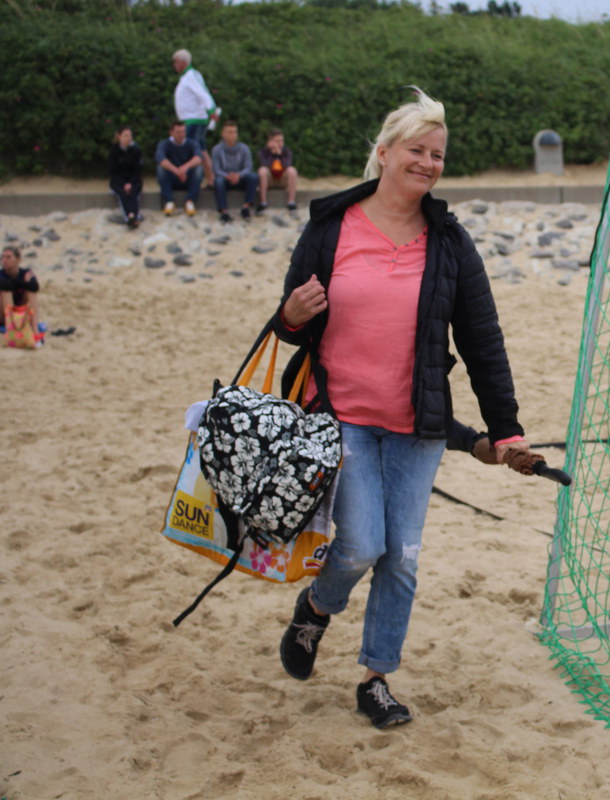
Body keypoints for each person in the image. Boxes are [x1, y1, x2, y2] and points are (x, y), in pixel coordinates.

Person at [273, 88, 532, 729]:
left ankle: (376, 679)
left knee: (403, 557)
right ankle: (316, 609)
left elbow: (482, 339)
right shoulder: (331, 226)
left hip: (417, 425)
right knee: (361, 545)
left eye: (438, 155)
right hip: (341, 416)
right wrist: (289, 316)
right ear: (385, 153)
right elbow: (291, 323)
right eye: (417, 150)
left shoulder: (449, 242)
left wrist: (505, 429)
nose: (428, 163)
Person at [172, 49, 219, 188]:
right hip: (192, 119)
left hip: (194, 120)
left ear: (183, 62)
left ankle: (195, 179)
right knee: (201, 150)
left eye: (176, 62)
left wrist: (211, 109)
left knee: (193, 151)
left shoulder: (191, 76)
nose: (174, 65)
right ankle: (211, 179)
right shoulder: (188, 76)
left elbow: (202, 93)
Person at [211, 121, 259, 223]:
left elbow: (248, 167)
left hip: (240, 178)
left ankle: (246, 207)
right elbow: (216, 169)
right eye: (230, 132)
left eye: (235, 132)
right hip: (225, 179)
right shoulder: (216, 149)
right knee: (218, 181)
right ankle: (224, 212)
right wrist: (227, 176)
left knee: (253, 177)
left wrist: (238, 175)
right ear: (223, 134)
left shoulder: (244, 148)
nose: (233, 135)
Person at [155, 121, 203, 216]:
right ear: (171, 132)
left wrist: (184, 168)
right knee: (160, 169)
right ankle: (169, 201)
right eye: (178, 132)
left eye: (183, 131)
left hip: (187, 177)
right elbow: (161, 159)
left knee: (199, 169)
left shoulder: (192, 143)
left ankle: (190, 200)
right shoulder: (164, 144)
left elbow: (198, 158)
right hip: (172, 177)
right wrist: (176, 171)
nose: (181, 134)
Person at [1, 246, 41, 343]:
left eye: (8, 257)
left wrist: (21, 283)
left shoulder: (26, 272)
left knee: (31, 292)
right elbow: (6, 286)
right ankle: (11, 328)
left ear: (18, 260)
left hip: (20, 313)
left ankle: (35, 330)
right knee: (6, 292)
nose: (5, 260)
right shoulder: (1, 274)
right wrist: (24, 282)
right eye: (3, 257)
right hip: (3, 315)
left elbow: (35, 287)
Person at [108, 125, 143, 229]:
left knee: (134, 193)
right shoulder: (113, 151)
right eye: (126, 136)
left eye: (130, 136)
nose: (128, 138)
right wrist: (124, 184)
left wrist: (130, 183)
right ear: (119, 137)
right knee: (123, 194)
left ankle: (134, 216)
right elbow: (113, 171)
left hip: (133, 181)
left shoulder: (136, 150)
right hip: (118, 181)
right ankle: (129, 216)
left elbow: (137, 170)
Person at [257, 129, 299, 213]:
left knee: (292, 170)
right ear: (270, 141)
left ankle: (291, 202)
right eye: (277, 141)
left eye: (281, 141)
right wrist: (273, 154)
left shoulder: (286, 151)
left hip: (282, 180)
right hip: (269, 180)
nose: (280, 143)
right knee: (262, 170)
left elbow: (287, 164)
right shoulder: (263, 151)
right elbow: (264, 163)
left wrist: (279, 154)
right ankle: (263, 202)